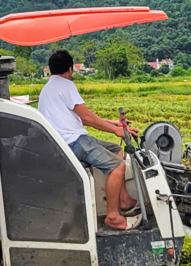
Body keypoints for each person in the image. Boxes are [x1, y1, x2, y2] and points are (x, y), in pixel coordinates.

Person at [38, 50, 137, 230]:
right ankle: (113, 216)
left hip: (67, 139)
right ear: (70, 69)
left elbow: (80, 116)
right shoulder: (66, 85)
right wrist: (116, 130)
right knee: (117, 166)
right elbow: (87, 119)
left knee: (116, 150)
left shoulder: (49, 88)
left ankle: (123, 199)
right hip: (73, 142)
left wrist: (113, 123)